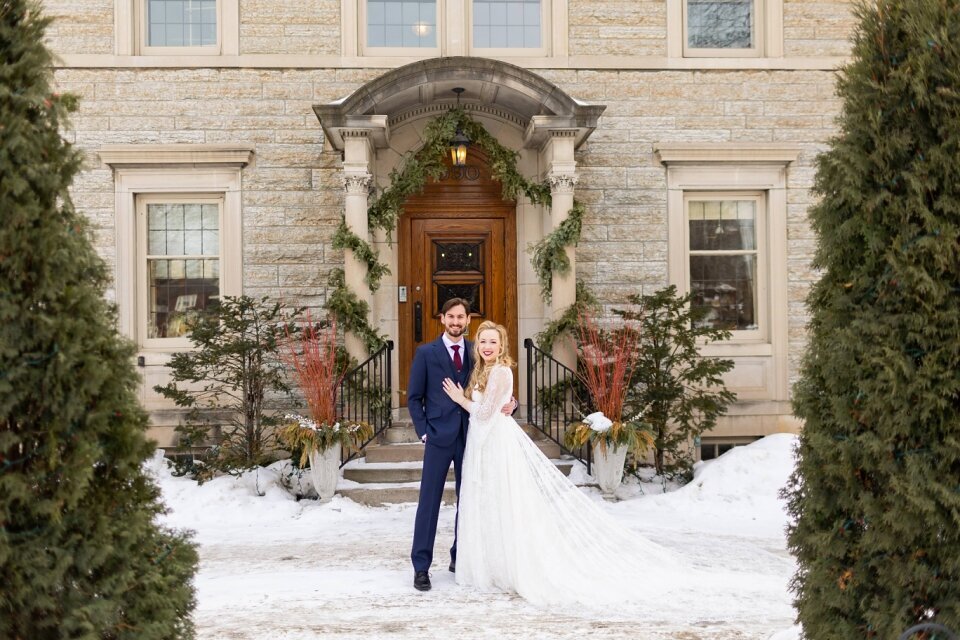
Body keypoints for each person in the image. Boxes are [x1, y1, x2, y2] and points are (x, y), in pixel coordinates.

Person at [441, 321, 682, 607]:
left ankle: (508, 566)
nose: (487, 347)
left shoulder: (501, 371)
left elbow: (483, 414)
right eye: (483, 342)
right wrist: (507, 402)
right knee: (487, 502)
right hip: (481, 443)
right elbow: (492, 406)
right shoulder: (483, 370)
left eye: (493, 342)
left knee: (502, 500)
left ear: (502, 345)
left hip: (495, 443)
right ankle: (490, 564)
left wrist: (459, 399)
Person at [407, 299, 514, 592]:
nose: (456, 322)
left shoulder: (477, 350)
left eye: (461, 317)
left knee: (469, 500)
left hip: (472, 438)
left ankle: (459, 557)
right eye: (450, 317)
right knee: (429, 503)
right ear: (442, 319)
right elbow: (414, 398)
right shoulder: (426, 353)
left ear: (468, 320)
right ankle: (421, 567)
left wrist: (511, 403)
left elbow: (494, 387)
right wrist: (424, 432)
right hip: (438, 438)